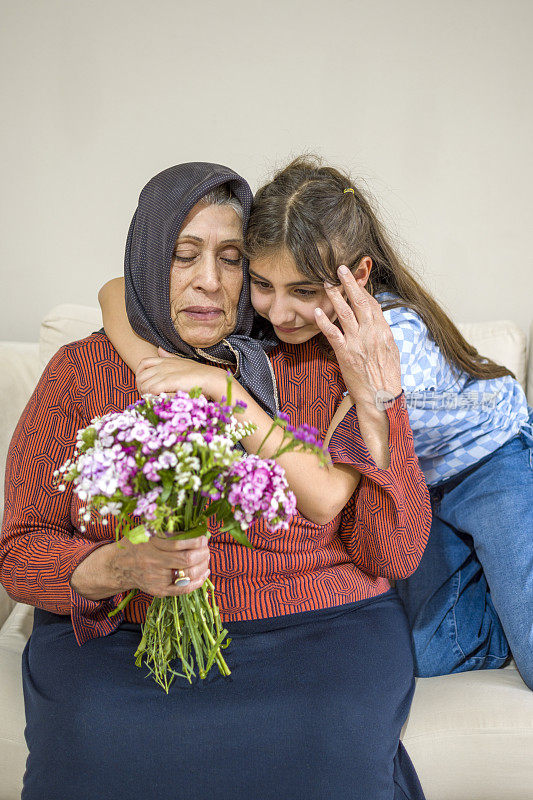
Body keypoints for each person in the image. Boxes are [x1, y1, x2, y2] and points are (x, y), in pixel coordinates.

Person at [1, 162, 431, 800]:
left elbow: (392, 552)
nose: (208, 282)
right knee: (92, 738)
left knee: (332, 736)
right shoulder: (83, 369)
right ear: (149, 258)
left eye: (231, 260)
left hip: (320, 630)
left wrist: (381, 400)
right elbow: (19, 551)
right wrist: (119, 564)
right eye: (183, 255)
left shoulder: (315, 357)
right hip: (126, 637)